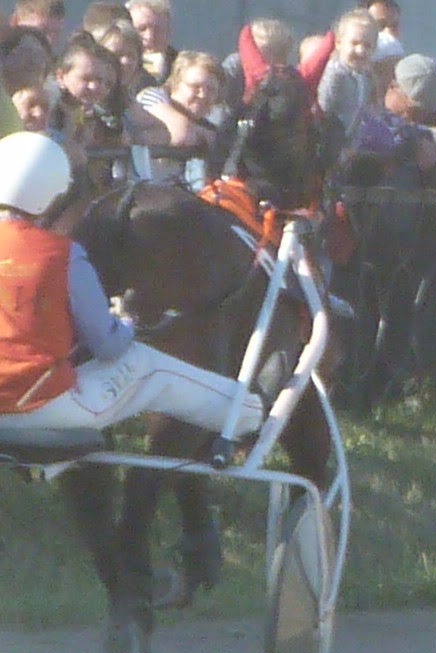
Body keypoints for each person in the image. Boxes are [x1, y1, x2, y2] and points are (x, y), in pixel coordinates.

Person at [0, 129, 266, 454]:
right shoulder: (63, 255)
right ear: (54, 191)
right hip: (41, 409)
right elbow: (108, 346)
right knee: (145, 362)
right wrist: (127, 323)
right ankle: (252, 415)